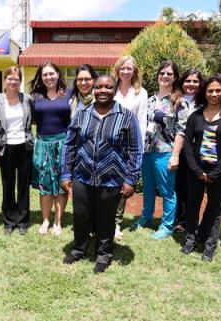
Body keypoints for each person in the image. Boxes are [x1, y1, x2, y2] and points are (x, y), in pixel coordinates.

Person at [60, 75, 142, 273]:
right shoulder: (82, 114)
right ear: (93, 89)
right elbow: (69, 144)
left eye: (108, 87)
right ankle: (79, 248)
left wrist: (130, 179)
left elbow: (135, 149)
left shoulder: (126, 116)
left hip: (111, 178)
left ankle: (103, 253)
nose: (103, 90)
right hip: (82, 175)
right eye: (99, 87)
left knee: (106, 218)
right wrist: (65, 173)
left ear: (115, 90)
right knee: (81, 215)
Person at [181, 75, 221, 262]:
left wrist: (215, 173)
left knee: (215, 210)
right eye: (210, 91)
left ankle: (209, 246)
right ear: (204, 93)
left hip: (219, 173)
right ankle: (190, 239)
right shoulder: (196, 116)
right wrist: (197, 171)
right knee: (193, 206)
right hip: (196, 171)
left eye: (218, 90)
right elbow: (188, 146)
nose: (214, 94)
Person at [132, 60, 189, 240]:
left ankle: (167, 225)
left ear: (175, 78)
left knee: (167, 191)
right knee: (148, 188)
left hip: (165, 152)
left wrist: (175, 156)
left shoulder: (179, 102)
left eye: (169, 74)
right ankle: (146, 217)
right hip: (147, 152)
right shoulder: (149, 99)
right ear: (158, 76)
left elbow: (182, 131)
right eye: (162, 73)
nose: (165, 76)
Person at [29, 61, 72, 236]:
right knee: (45, 184)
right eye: (45, 74)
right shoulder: (35, 96)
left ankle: (57, 221)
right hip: (43, 144)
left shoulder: (69, 94)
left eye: (51, 73)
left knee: (62, 184)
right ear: (41, 77)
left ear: (58, 74)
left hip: (63, 143)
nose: (49, 77)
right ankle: (46, 219)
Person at [0, 66, 34, 235]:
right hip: (5, 147)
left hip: (24, 147)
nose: (13, 81)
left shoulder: (27, 99)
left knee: (23, 185)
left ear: (20, 81)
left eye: (16, 78)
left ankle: (22, 220)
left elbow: (32, 121)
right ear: (5, 79)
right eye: (10, 78)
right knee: (7, 185)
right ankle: (9, 220)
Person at [111, 55, 148, 240]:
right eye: (123, 68)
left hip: (128, 145)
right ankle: (102, 220)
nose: (125, 72)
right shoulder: (111, 88)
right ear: (117, 69)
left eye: (129, 69)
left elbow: (142, 121)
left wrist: (138, 149)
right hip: (109, 144)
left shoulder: (141, 93)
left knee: (122, 186)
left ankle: (116, 223)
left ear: (135, 72)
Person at [174, 69, 204, 232]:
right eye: (188, 81)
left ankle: (192, 221)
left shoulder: (204, 102)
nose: (191, 84)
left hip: (197, 151)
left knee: (194, 188)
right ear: (182, 82)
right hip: (177, 148)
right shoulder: (176, 100)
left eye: (195, 81)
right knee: (180, 186)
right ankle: (180, 219)